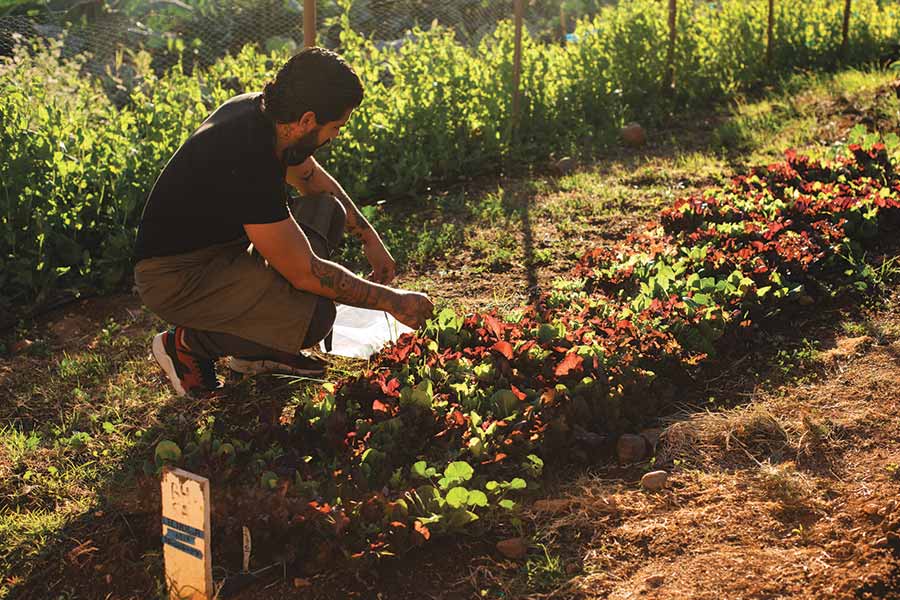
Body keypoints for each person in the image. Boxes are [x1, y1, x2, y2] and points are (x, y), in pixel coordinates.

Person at [132, 47, 435, 398]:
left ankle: (255, 350)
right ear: (307, 120)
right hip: (177, 277)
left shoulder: (266, 115)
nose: (335, 136)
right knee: (316, 316)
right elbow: (305, 273)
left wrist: (369, 238)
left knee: (326, 209)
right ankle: (186, 345)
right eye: (335, 126)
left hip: (221, 251)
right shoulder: (251, 157)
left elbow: (312, 181)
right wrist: (392, 300)